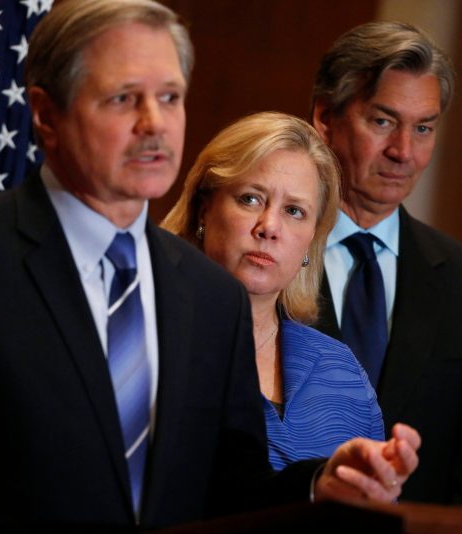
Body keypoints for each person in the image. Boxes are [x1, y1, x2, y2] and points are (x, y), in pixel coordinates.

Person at [0, 0, 418, 527]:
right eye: (124, 98)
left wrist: (319, 485)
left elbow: (229, 492)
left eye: (170, 97)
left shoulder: (210, 296)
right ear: (46, 114)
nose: (154, 123)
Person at [309, 21, 462, 504]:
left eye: (423, 128)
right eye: (382, 121)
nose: (403, 151)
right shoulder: (269, 252)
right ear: (325, 118)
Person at [162, 111, 414, 470]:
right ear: (204, 209)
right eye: (251, 199)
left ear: (312, 238)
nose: (269, 227)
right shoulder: (154, 334)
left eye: (294, 211)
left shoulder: (342, 373)